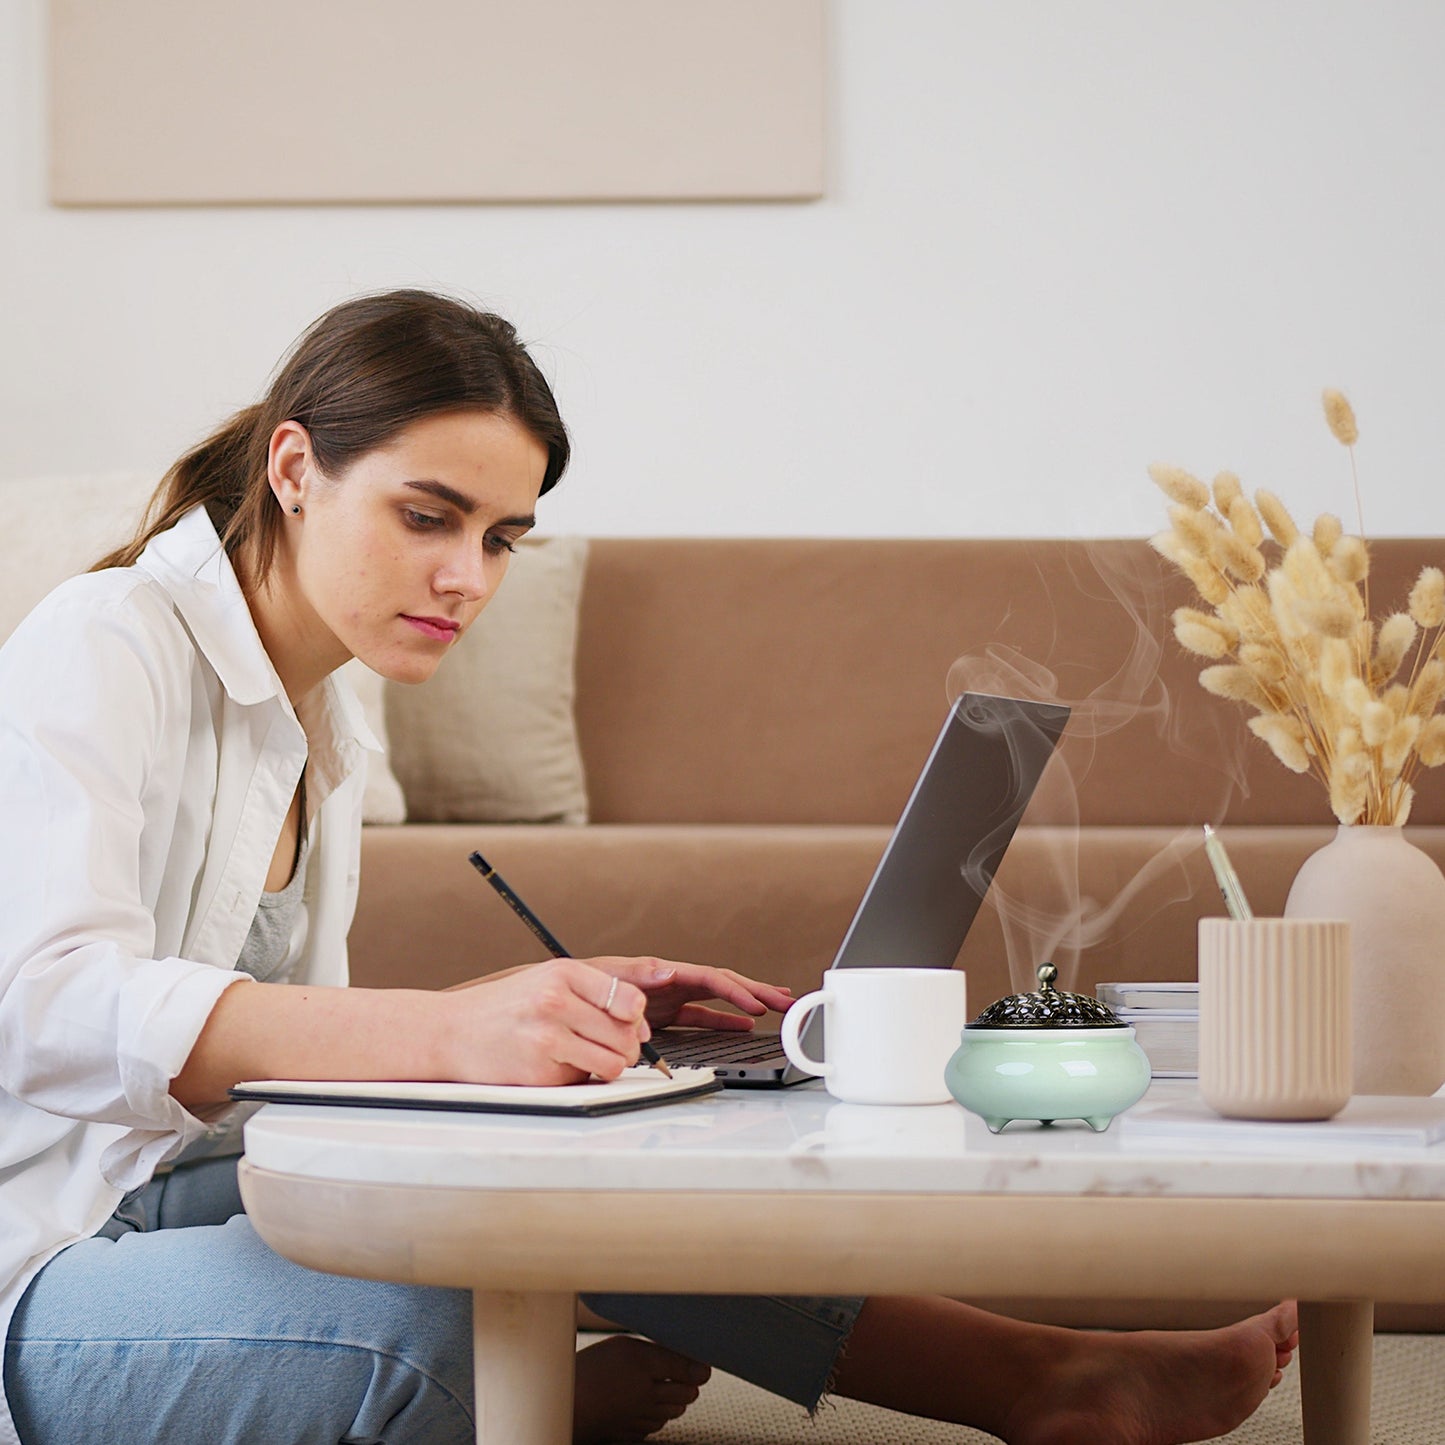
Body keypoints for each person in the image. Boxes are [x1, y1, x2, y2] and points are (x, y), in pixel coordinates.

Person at [0, 288, 1297, 1445]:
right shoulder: (103, 641)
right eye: (427, 516)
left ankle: (1038, 1376)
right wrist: (446, 1034)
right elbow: (45, 1007)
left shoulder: (324, 713)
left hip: (184, 1182)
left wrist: (535, 1021)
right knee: (437, 1333)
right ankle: (537, 1410)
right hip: (45, 1253)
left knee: (590, 1171)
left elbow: (269, 1052)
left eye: (503, 537)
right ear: (294, 467)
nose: (466, 576)